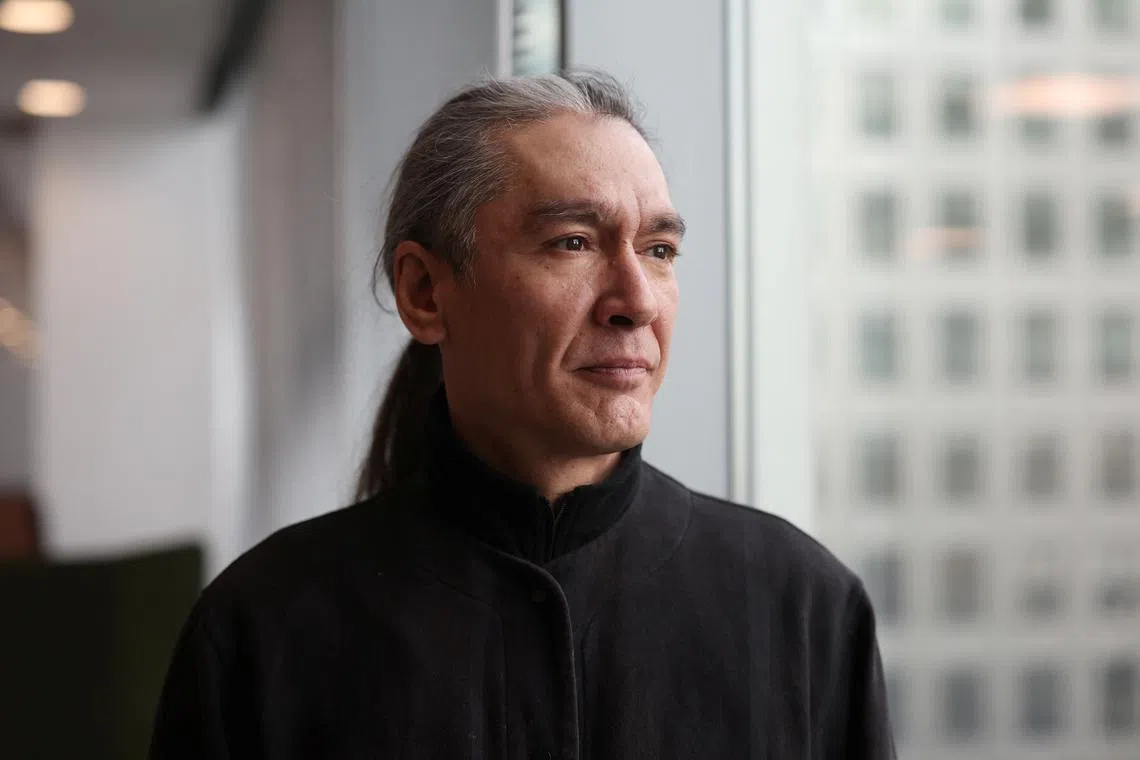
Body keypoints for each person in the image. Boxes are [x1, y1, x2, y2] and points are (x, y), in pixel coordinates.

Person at [150, 71, 895, 759]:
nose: (636, 300)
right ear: (425, 292)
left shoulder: (803, 610)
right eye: (572, 243)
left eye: (659, 248)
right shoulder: (266, 629)